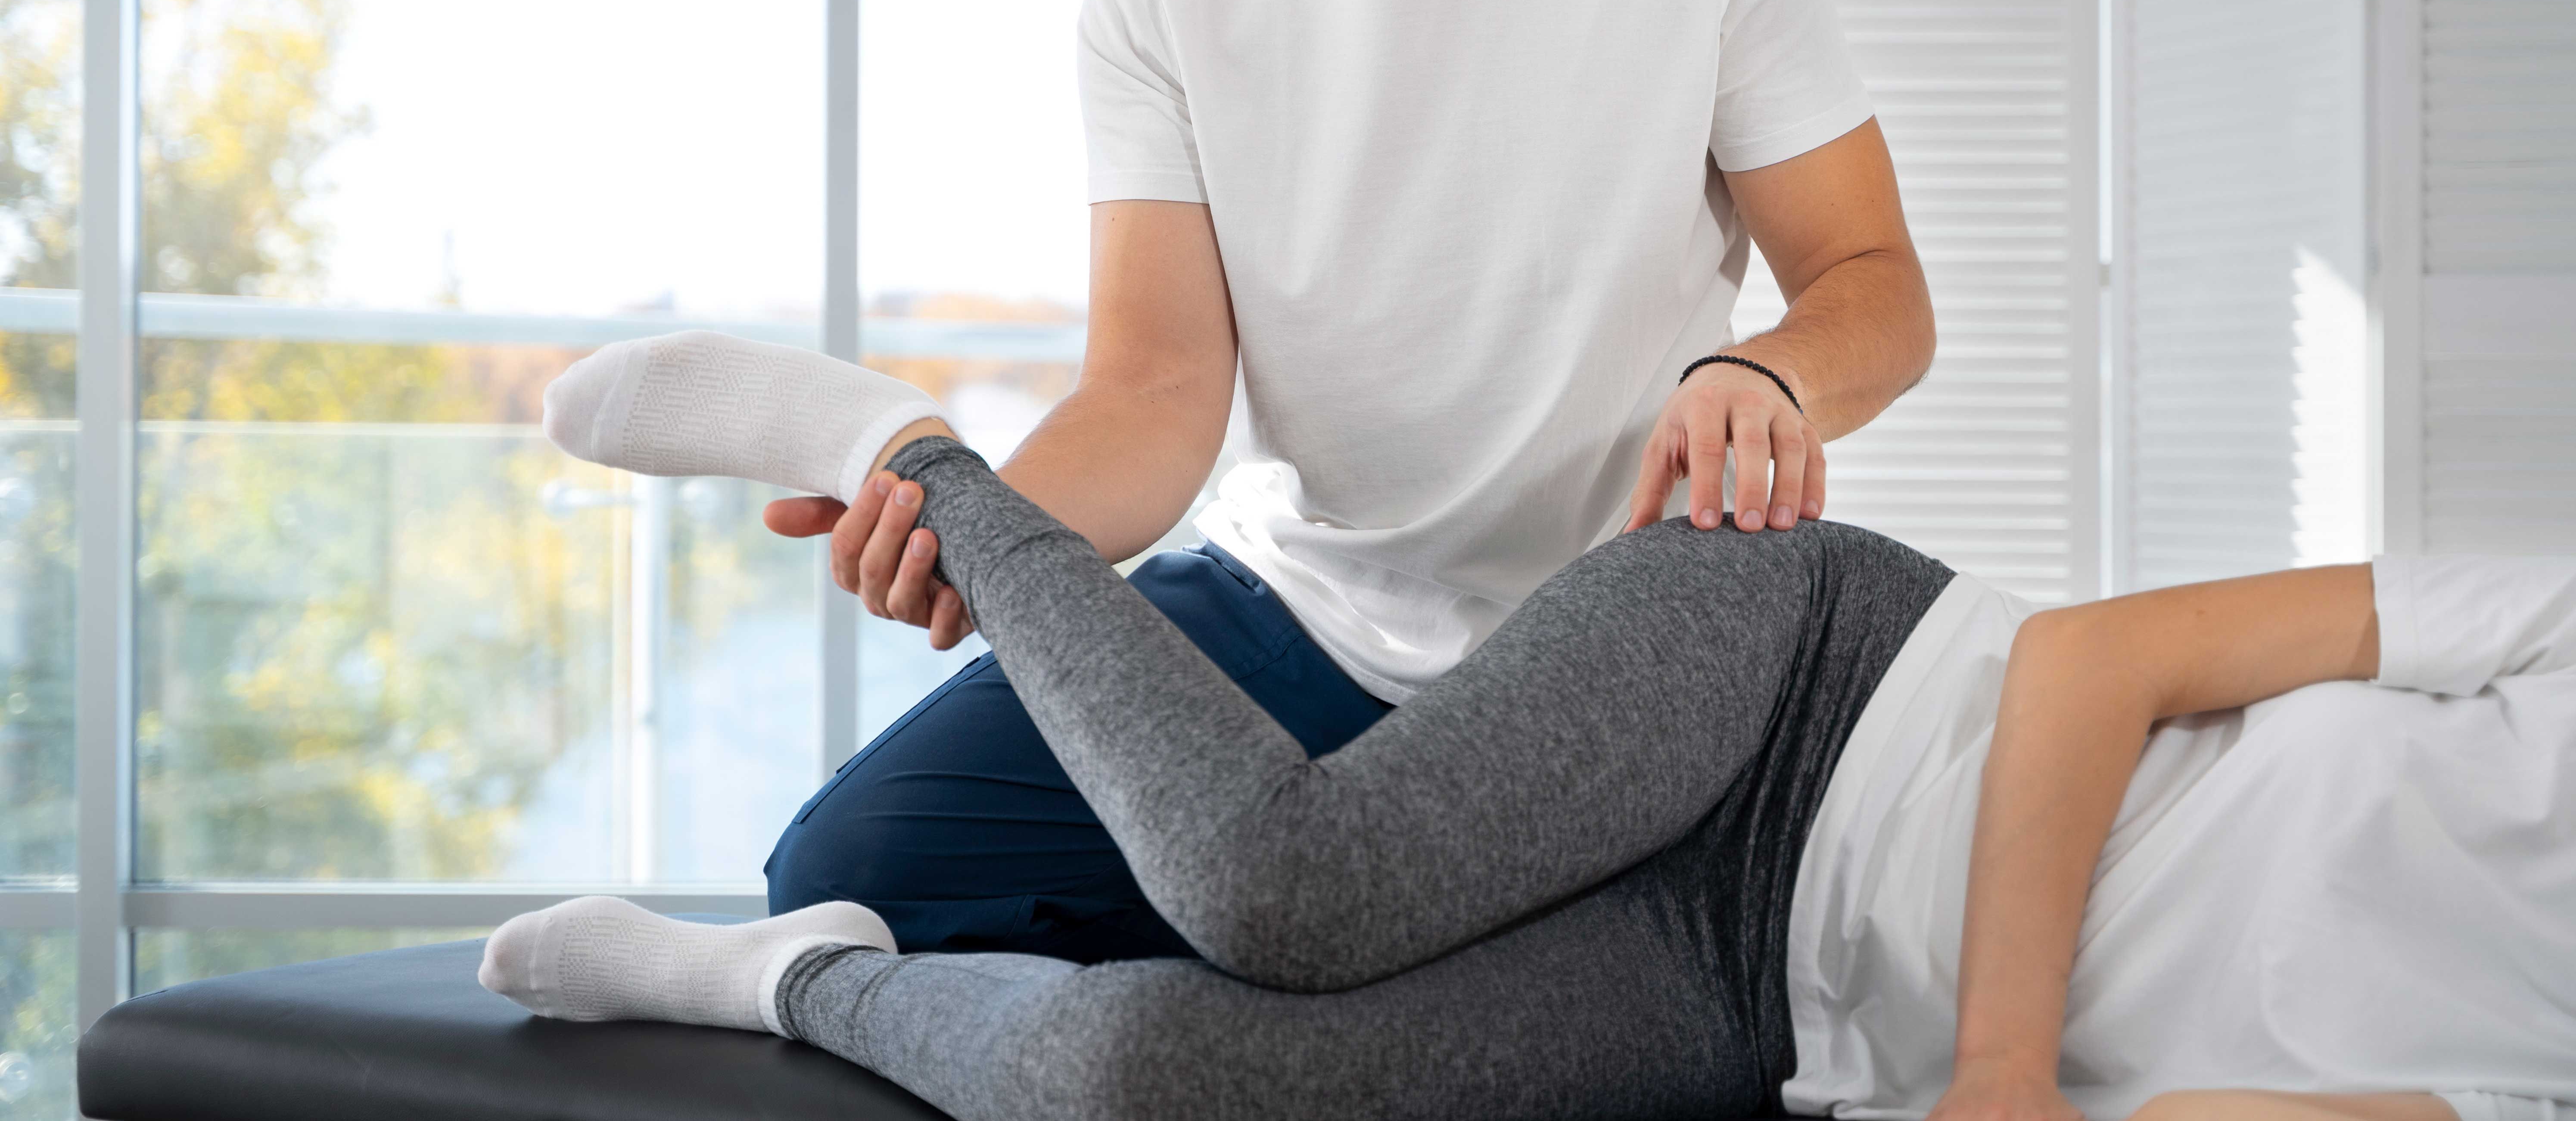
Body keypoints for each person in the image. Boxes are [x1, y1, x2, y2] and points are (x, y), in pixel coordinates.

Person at [761, 0, 1939, 962]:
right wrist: (989, 539)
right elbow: (1159, 386)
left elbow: (1874, 287)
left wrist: (1764, 371)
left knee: (1387, 918)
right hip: (1291, 611)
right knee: (853, 879)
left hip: (1607, 642)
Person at [488, 335, 2576, 1121]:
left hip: (1770, 1009)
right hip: (1816, 691)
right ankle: (914, 449)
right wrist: (2012, 1067)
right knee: (1288, 886)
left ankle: (792, 982)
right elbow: (2098, 662)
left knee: (1151, 1080)